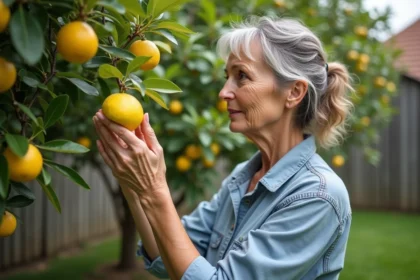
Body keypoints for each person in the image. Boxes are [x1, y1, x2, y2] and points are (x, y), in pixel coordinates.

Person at [93, 16, 353, 280]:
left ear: (294, 92)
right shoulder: (244, 177)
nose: (224, 91)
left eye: (242, 76)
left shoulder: (317, 196)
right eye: (227, 76)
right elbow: (167, 257)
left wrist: (154, 189)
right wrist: (133, 184)